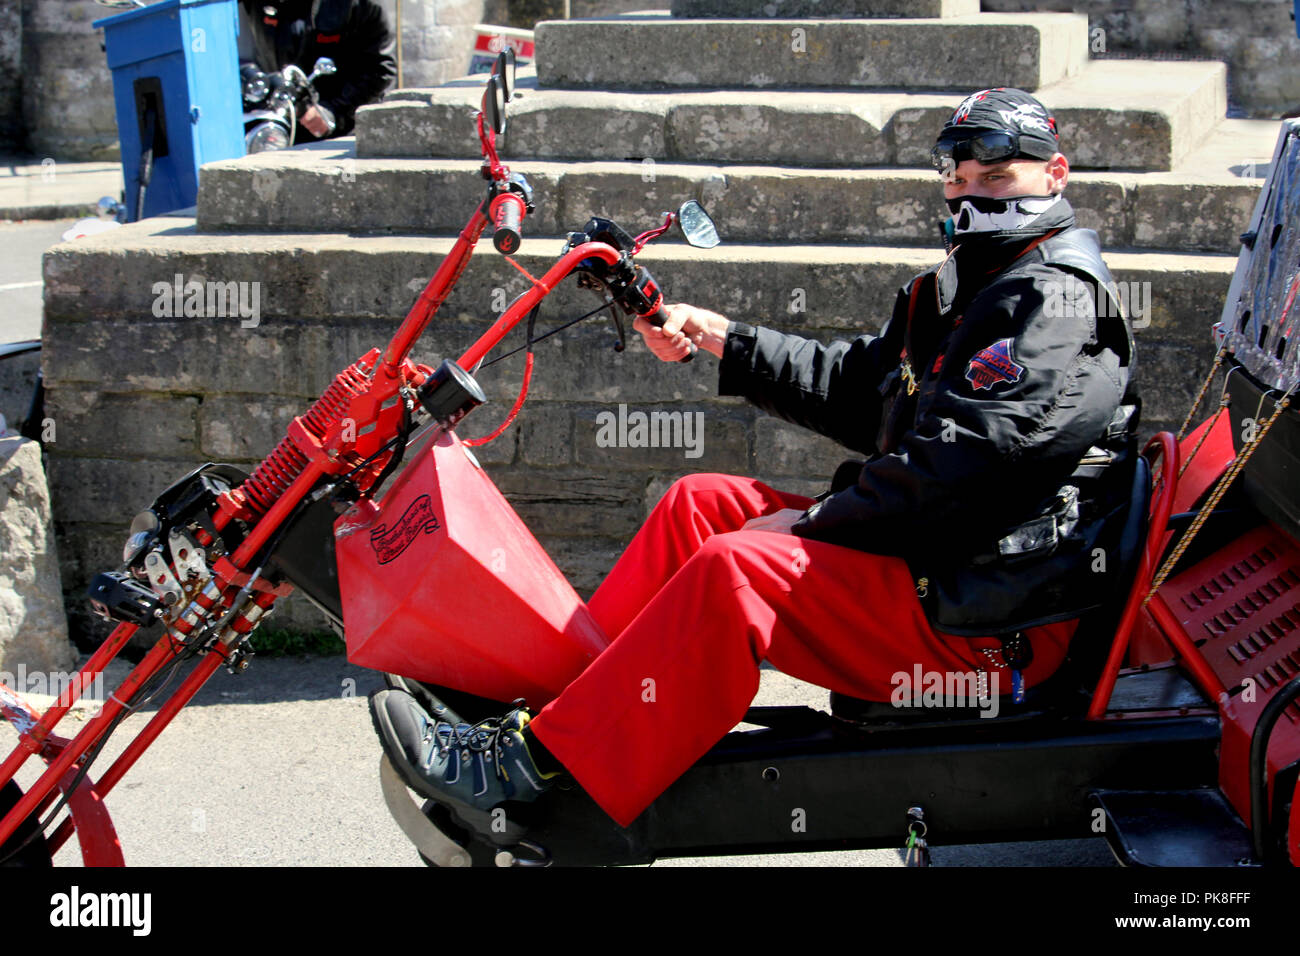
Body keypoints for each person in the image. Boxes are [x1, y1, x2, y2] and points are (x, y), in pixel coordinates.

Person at [370, 88, 1141, 831]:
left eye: (998, 177)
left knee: (735, 572)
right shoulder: (976, 282)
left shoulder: (1054, 302)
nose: (974, 198)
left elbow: (963, 474)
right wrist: (722, 336)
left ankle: (534, 767)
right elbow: (861, 388)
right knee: (699, 504)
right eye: (960, 180)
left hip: (997, 624)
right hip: (953, 565)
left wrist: (810, 530)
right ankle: (556, 701)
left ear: (1055, 173)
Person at [237, 0, 396, 140]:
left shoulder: (361, 4)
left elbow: (381, 68)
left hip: (340, 135)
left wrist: (334, 111)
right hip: (274, 126)